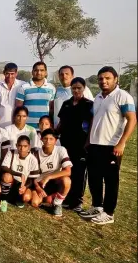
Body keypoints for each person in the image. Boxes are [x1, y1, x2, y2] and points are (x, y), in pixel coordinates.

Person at [80, 66, 136, 225]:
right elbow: (93, 119)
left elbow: (132, 120)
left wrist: (121, 143)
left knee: (111, 180)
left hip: (112, 146)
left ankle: (109, 212)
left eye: (107, 78)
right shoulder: (97, 97)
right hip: (95, 144)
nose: (103, 81)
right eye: (100, 79)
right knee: (94, 178)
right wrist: (88, 140)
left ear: (115, 79)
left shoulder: (122, 96)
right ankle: (97, 206)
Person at [57, 77, 94, 212]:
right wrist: (53, 133)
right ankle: (67, 198)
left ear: (84, 88)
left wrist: (88, 141)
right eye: (74, 88)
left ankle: (77, 201)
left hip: (81, 144)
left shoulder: (89, 105)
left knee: (79, 172)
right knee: (67, 171)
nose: (76, 90)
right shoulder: (66, 104)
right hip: (66, 143)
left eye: (79, 88)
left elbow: (92, 125)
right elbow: (61, 123)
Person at [30, 129, 72, 217]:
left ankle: (57, 204)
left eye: (51, 139)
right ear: (41, 139)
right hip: (41, 183)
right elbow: (33, 176)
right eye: (45, 138)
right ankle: (49, 198)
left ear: (55, 140)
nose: (48, 141)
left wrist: (49, 177)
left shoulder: (61, 150)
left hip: (56, 181)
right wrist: (38, 187)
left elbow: (68, 171)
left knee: (67, 180)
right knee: (35, 203)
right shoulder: (36, 153)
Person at [0, 135, 40, 212]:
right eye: (20, 146)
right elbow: (3, 167)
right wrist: (19, 174)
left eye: (25, 146)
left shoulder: (33, 159)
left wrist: (25, 186)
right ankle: (3, 199)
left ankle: (16, 197)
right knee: (7, 176)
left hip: (23, 183)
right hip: (12, 181)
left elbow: (32, 179)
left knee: (26, 197)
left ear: (29, 147)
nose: (22, 149)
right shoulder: (11, 153)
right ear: (16, 145)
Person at [15, 61, 56, 130]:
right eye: (36, 70)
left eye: (42, 70)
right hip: (27, 128)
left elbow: (51, 110)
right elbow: (18, 110)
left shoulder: (51, 88)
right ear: (32, 72)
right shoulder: (24, 87)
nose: (39, 72)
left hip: (44, 128)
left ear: (46, 72)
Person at [0, 63, 26, 128]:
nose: (10, 76)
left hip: (17, 124)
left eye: (12, 74)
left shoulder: (22, 85)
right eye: (7, 73)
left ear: (16, 73)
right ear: (4, 73)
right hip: (1, 125)